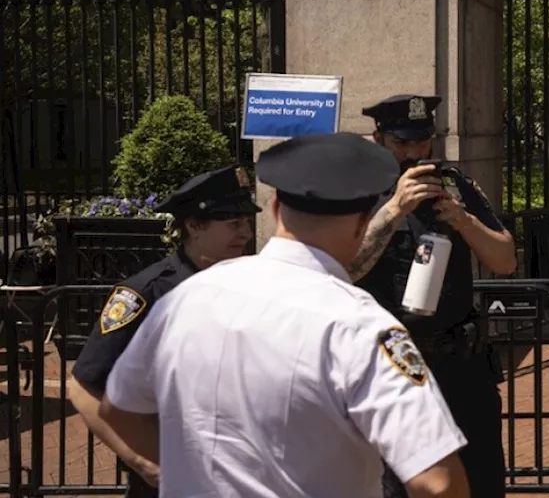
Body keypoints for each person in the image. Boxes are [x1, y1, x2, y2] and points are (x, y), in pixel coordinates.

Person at [99, 132, 471, 498]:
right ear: (362, 223)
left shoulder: (185, 299)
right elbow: (438, 483)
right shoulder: (360, 326)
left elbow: (117, 409)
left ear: (276, 209)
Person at [347, 94, 517, 498]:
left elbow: (505, 259)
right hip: (394, 368)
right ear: (378, 138)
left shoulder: (455, 184)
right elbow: (343, 268)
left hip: (462, 367)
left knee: (480, 482)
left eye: (421, 141)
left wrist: (463, 219)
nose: (414, 153)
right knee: (400, 486)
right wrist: (394, 211)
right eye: (401, 143)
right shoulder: (359, 193)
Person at [68, 165, 258, 498]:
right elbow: (83, 387)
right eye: (234, 224)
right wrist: (138, 459)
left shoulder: (247, 281)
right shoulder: (145, 294)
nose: (246, 234)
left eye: (246, 223)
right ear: (194, 227)